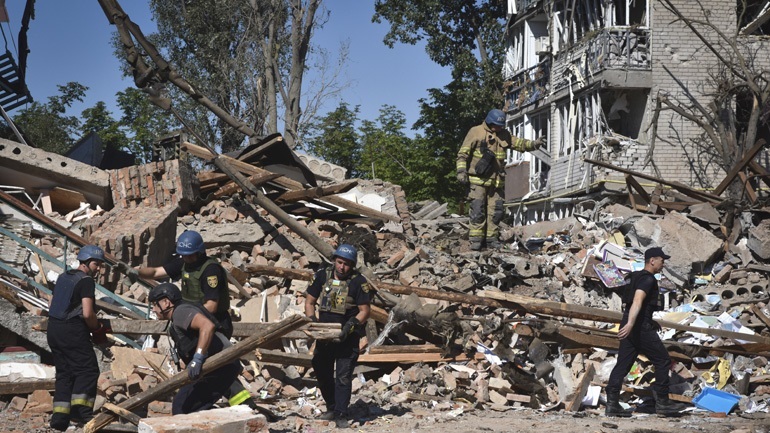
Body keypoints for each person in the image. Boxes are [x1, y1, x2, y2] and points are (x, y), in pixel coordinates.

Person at [148, 283, 258, 414]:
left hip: (219, 365)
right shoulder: (178, 316)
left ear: (166, 302)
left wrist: (198, 358)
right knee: (194, 403)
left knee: (181, 406)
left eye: (155, 304)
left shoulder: (181, 312)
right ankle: (245, 412)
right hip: (218, 365)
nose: (154, 309)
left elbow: (207, 326)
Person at [605, 247, 688, 417]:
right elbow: (637, 301)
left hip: (633, 323)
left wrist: (647, 320)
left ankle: (612, 405)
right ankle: (662, 403)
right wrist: (631, 324)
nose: (663, 264)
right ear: (652, 260)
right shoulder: (647, 279)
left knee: (623, 364)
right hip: (638, 326)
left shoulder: (634, 277)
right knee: (663, 360)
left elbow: (634, 305)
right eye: (661, 261)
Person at [456, 109, 543, 251]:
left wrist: (534, 144)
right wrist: (461, 171)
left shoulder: (504, 135)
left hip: (497, 182)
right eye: (497, 125)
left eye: (501, 126)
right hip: (478, 181)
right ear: (490, 123)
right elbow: (462, 154)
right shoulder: (475, 132)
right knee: (477, 211)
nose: (499, 128)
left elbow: (518, 143)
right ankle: (476, 240)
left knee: (496, 212)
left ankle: (491, 239)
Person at [304, 244, 371, 428]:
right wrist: (313, 322)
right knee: (320, 368)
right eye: (340, 262)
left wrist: (350, 327)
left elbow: (365, 311)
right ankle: (332, 406)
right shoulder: (321, 276)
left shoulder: (359, 282)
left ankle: (342, 413)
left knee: (343, 376)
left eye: (347, 264)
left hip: (347, 338)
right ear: (334, 260)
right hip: (324, 336)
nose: (342, 267)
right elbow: (309, 302)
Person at [47, 245, 109, 431]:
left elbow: (52, 302)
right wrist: (97, 330)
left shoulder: (63, 276)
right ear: (86, 262)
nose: (98, 268)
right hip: (72, 330)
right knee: (88, 370)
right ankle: (82, 413)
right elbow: (88, 313)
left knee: (65, 372)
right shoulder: (86, 281)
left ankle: (60, 418)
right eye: (96, 264)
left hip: (53, 328)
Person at [134, 230, 233, 338]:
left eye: (190, 256)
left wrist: (185, 314)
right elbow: (155, 272)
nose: (187, 258)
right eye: (184, 256)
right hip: (193, 319)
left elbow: (211, 306)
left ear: (199, 253)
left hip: (215, 322)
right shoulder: (184, 263)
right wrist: (135, 272)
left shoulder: (211, 271)